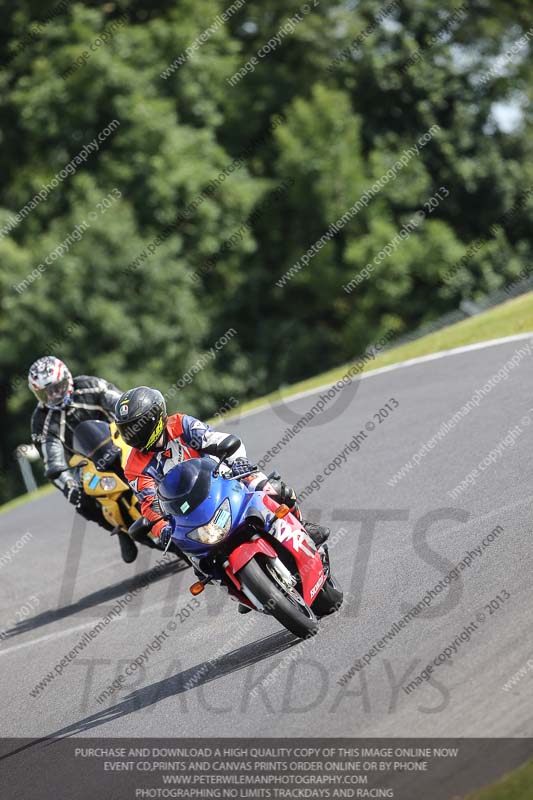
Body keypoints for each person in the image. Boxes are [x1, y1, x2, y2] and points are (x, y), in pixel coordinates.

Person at [115, 387, 329, 604]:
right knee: (197, 560)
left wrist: (237, 461)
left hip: (222, 480)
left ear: (155, 418)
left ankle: (303, 527)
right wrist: (162, 530)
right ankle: (242, 587)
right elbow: (149, 503)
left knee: (272, 489)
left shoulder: (180, 424)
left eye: (136, 427)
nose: (132, 435)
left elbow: (214, 438)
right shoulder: (133, 466)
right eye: (127, 430)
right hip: (186, 512)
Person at [28, 356, 136, 562]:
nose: (54, 394)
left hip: (117, 438)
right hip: (83, 462)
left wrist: (135, 422)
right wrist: (69, 487)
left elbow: (122, 404)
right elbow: (53, 463)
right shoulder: (40, 421)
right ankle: (119, 530)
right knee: (81, 501)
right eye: (46, 392)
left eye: (58, 387)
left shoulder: (90, 386)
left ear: (67, 379)